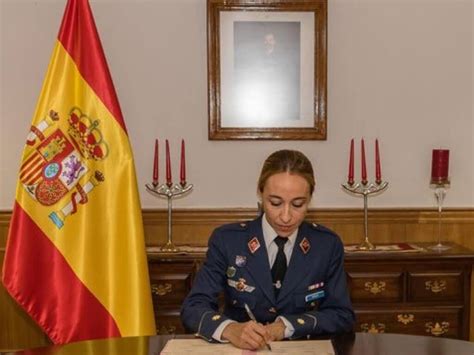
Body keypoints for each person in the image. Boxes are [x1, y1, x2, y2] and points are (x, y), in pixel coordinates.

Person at [181, 150, 355, 350]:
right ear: (260, 194)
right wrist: (230, 329)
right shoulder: (228, 240)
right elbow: (193, 308)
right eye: (275, 203)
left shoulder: (326, 245)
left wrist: (286, 326)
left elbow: (342, 315)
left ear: (310, 199)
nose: (286, 216)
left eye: (298, 204)